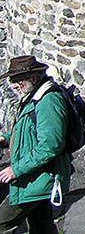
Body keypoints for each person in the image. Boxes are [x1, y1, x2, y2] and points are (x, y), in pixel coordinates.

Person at [0, 56, 71, 234]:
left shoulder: (48, 102)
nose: (13, 85)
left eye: (17, 81)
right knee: (42, 225)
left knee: (2, 223)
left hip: (38, 178)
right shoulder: (33, 97)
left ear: (32, 78)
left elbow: (50, 145)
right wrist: (6, 139)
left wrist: (15, 170)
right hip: (38, 176)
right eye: (11, 81)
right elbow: (29, 133)